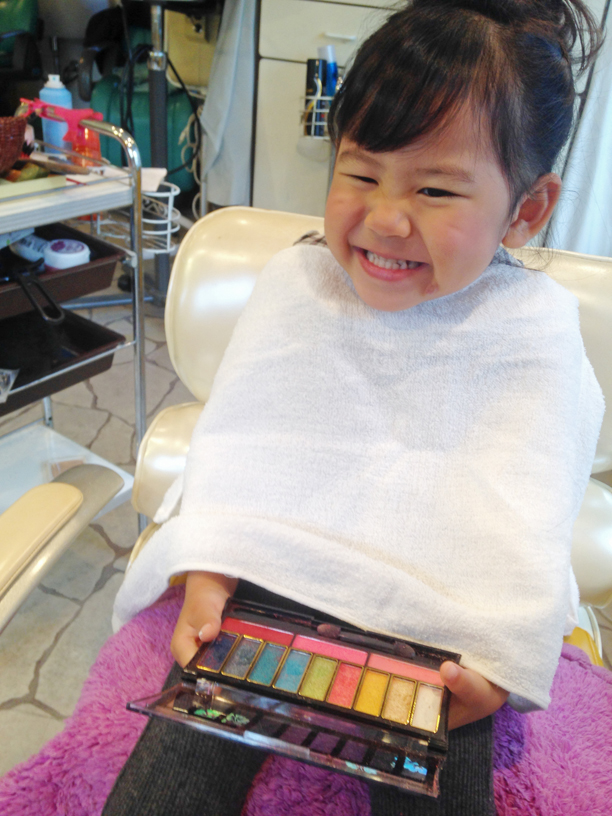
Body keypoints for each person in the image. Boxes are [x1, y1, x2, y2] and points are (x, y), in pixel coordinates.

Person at [105, 1, 604, 814]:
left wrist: (498, 655)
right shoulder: (298, 287)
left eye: (436, 189)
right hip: (274, 582)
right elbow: (239, 452)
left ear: (526, 209)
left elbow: (526, 515)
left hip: (444, 619)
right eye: (362, 174)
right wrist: (210, 573)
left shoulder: (532, 332)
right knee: (166, 783)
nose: (385, 218)